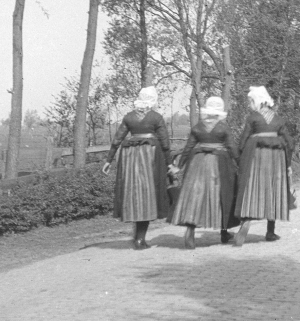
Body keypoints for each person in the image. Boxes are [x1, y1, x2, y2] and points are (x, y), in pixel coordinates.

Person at [101, 86, 171, 250]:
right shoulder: (156, 117)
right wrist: (169, 163)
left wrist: (108, 160)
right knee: (147, 194)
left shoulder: (129, 117)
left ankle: (138, 237)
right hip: (149, 157)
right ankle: (140, 239)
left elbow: (117, 139)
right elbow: (165, 143)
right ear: (153, 100)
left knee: (134, 194)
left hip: (131, 158)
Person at [169, 96, 240, 249]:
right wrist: (240, 163)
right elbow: (232, 148)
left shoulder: (198, 127)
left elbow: (188, 148)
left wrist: (179, 166)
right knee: (223, 194)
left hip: (198, 162)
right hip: (219, 163)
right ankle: (224, 232)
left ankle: (190, 231)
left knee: (194, 196)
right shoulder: (223, 128)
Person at [234, 86, 296, 247]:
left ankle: (246, 222)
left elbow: (243, 140)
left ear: (257, 101)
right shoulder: (278, 120)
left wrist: (240, 158)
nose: (250, 105)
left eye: (250, 101)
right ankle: (270, 231)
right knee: (273, 190)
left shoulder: (253, 118)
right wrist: (288, 163)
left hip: (256, 158)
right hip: (276, 159)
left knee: (253, 189)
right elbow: (289, 143)